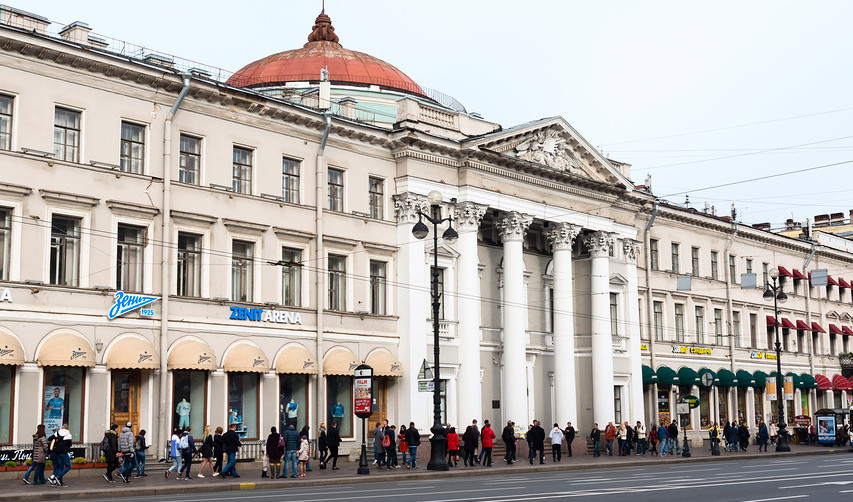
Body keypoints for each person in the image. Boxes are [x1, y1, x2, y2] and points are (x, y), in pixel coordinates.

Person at [48, 423, 72, 487]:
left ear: (62, 427)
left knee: (60, 467)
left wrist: (56, 440)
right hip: (64, 453)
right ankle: (58, 476)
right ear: (67, 428)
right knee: (68, 466)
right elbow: (69, 444)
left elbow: (50, 438)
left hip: (57, 452)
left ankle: (60, 482)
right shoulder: (68, 435)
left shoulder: (57, 433)